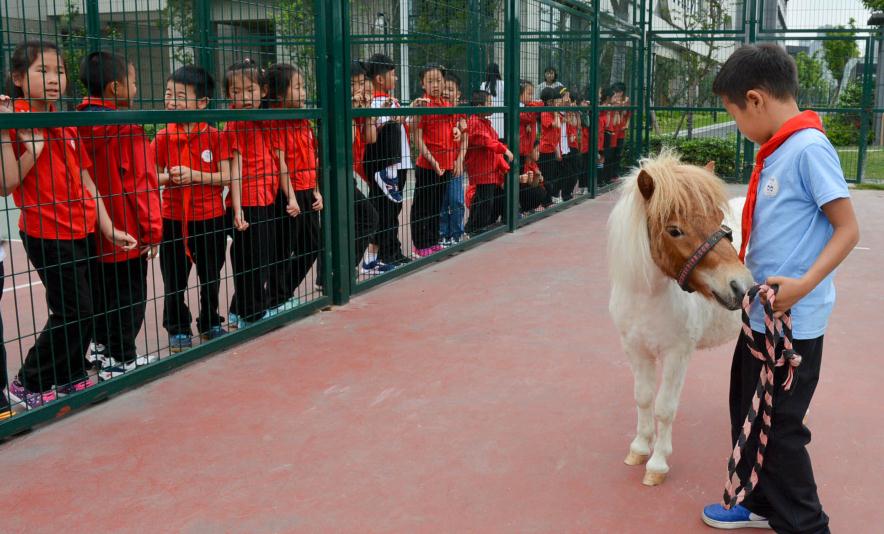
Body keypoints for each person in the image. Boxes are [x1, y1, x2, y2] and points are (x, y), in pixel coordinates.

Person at [700, 43, 860, 534]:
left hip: (793, 326)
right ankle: (759, 502)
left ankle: (808, 525)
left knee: (782, 432)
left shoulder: (808, 149)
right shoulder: (778, 149)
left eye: (733, 115)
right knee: (746, 414)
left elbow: (848, 228)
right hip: (761, 319)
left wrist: (805, 285)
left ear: (755, 99)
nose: (737, 128)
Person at [0, 40, 137, 408]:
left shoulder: (65, 120)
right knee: (73, 310)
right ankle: (28, 380)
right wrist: (33, 150)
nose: (53, 79)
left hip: (81, 228)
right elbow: (6, 184)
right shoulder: (15, 118)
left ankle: (70, 372)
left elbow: (87, 181)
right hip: (46, 232)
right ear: (17, 78)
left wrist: (107, 228)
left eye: (58, 71)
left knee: (88, 306)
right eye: (41, 71)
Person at [76, 51, 162, 378]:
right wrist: (153, 231)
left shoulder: (77, 122)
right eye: (134, 81)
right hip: (126, 229)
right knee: (130, 296)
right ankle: (121, 358)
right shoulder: (126, 127)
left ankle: (102, 347)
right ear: (114, 87)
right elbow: (142, 183)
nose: (136, 87)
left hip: (92, 227)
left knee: (101, 291)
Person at [153, 65, 235, 351]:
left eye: (179, 95)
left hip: (210, 217)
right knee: (174, 278)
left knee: (210, 275)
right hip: (173, 218)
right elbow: (151, 176)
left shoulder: (215, 136)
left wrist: (194, 175)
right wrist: (170, 177)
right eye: (168, 94)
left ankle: (210, 320)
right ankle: (177, 326)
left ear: (202, 102)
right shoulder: (163, 137)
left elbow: (226, 177)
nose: (171, 101)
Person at [224, 59, 296, 329]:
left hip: (266, 196)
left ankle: (239, 309)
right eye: (236, 92)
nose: (243, 98)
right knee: (250, 260)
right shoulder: (235, 124)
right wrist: (238, 209)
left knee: (261, 256)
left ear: (263, 91)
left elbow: (277, 160)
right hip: (249, 201)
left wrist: (288, 196)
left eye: (249, 90)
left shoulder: (263, 120)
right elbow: (236, 168)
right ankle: (250, 314)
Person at [263, 63, 322, 313]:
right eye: (297, 87)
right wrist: (291, 197)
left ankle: (281, 294)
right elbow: (280, 163)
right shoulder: (274, 121)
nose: (303, 92)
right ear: (278, 94)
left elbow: (312, 155)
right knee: (282, 248)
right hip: (289, 194)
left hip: (307, 190)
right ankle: (276, 298)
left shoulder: (302, 118)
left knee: (312, 244)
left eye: (303, 86)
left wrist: (317, 190)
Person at [363, 53, 411, 266]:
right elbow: (376, 132)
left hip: (399, 164)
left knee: (392, 209)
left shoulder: (389, 101)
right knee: (386, 210)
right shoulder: (375, 102)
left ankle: (389, 251)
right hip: (386, 165)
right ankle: (386, 253)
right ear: (380, 79)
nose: (397, 78)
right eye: (394, 74)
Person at [412, 63, 455, 257]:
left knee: (436, 205)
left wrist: (455, 131)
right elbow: (417, 138)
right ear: (423, 84)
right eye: (430, 81)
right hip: (428, 166)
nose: (435, 85)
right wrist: (433, 161)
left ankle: (433, 240)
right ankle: (420, 244)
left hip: (445, 165)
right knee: (423, 205)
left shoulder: (446, 105)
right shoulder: (423, 104)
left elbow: (452, 129)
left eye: (438, 80)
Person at [350, 60, 389, 276]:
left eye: (361, 82)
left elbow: (371, 138)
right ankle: (342, 268)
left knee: (363, 218)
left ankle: (339, 270)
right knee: (368, 217)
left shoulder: (362, 106)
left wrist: (368, 112)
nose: (359, 88)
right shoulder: (340, 106)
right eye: (353, 83)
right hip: (332, 171)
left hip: (350, 170)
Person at [464, 90, 513, 234]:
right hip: (481, 169)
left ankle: (473, 226)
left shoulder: (484, 122)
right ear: (480, 106)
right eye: (489, 103)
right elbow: (488, 141)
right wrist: (504, 150)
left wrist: (503, 163)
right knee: (484, 200)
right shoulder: (474, 122)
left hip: (488, 168)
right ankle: (476, 227)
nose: (492, 106)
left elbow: (492, 140)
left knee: (482, 199)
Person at [439, 71, 467, 247]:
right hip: (439, 165)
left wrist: (459, 160)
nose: (446, 92)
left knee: (456, 200)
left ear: (458, 94)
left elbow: (465, 142)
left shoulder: (460, 114)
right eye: (444, 88)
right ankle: (443, 234)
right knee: (441, 202)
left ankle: (457, 233)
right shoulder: (437, 112)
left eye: (451, 89)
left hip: (455, 164)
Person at [538, 86, 565, 202]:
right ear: (549, 101)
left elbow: (560, 125)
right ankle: (546, 200)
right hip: (545, 149)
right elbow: (557, 125)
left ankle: (550, 198)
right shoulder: (545, 113)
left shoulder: (552, 112)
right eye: (554, 100)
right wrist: (555, 114)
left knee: (552, 175)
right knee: (547, 176)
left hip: (552, 148)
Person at [479, 63, 505, 140]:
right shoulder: (503, 84)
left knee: (491, 138)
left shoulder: (483, 85)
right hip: (502, 114)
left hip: (489, 114)